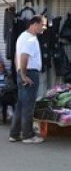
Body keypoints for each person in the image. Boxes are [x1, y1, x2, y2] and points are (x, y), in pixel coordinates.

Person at [9, 15, 47, 143]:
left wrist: (19, 72)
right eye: (42, 25)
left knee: (20, 105)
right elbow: (24, 56)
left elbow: (16, 56)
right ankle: (28, 135)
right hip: (29, 73)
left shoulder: (22, 37)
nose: (44, 28)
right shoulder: (30, 39)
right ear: (35, 24)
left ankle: (14, 134)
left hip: (23, 72)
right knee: (28, 106)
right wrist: (24, 75)